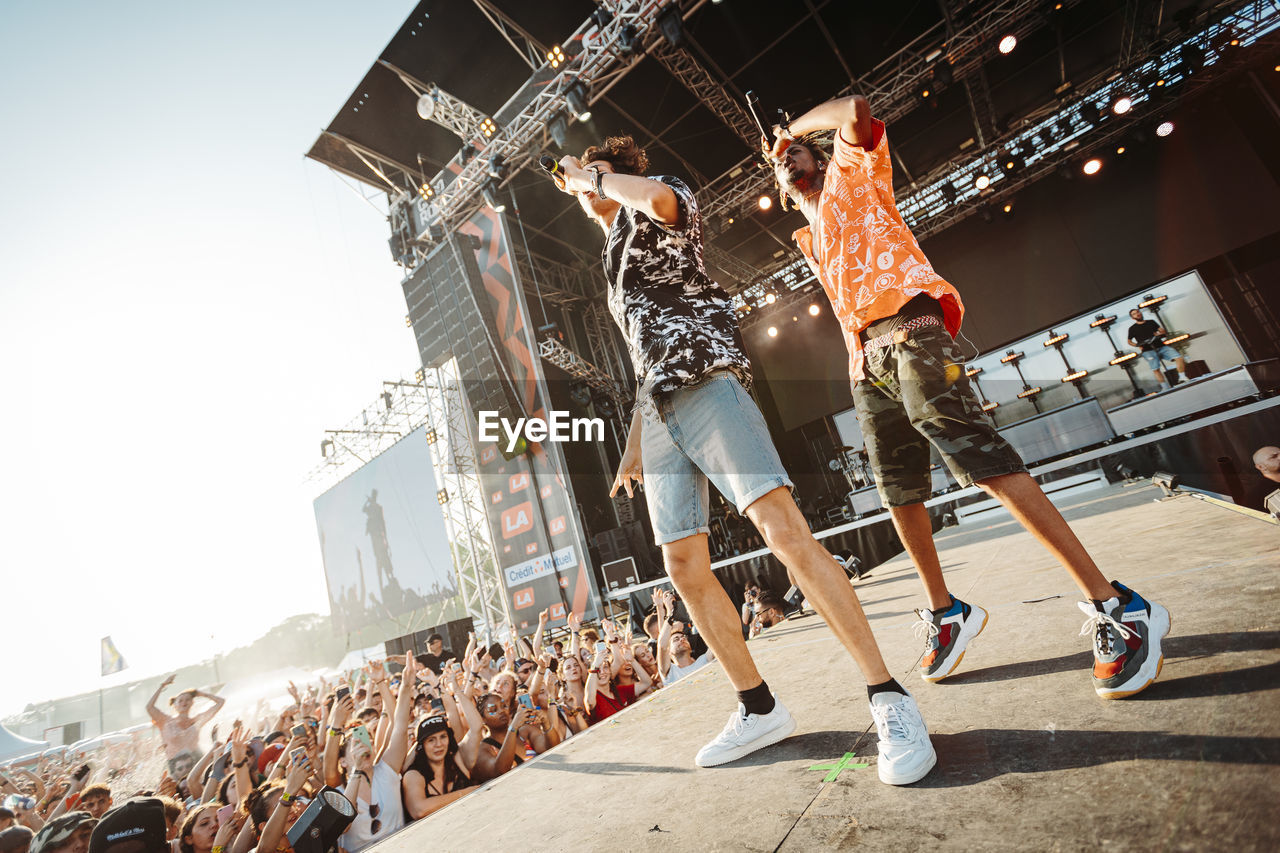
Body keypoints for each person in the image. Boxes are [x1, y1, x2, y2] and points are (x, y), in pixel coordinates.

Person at [549, 133, 935, 783]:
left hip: (710, 384)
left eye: (598, 178)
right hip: (664, 409)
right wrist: (636, 446)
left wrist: (589, 176)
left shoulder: (663, 200)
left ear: (609, 172)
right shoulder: (614, 258)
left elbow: (652, 200)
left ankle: (888, 695)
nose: (587, 194)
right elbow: (647, 355)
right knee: (682, 565)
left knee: (783, 530)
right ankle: (757, 706)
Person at [768, 94, 1169, 701]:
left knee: (975, 458)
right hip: (864, 357)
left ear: (819, 158)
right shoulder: (810, 234)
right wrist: (856, 362)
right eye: (779, 161)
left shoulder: (856, 171)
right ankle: (945, 612)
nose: (786, 159)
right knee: (897, 491)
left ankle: (1116, 604)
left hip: (911, 324)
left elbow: (853, 108)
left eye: (797, 152)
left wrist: (792, 127)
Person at [145, 676, 225, 778]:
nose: (184, 702)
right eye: (181, 700)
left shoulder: (197, 721)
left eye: (188, 700)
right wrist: (162, 686)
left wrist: (202, 694)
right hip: (175, 765)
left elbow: (221, 702)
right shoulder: (164, 721)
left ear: (192, 703)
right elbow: (149, 707)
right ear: (175, 705)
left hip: (196, 761)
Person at [1126, 308, 1187, 387]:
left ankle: (1182, 377)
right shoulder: (1132, 329)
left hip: (1161, 346)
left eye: (1138, 312)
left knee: (1179, 358)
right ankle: (1165, 387)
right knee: (1156, 369)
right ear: (1132, 318)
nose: (1137, 314)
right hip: (1148, 351)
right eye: (1134, 314)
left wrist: (1159, 333)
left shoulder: (1151, 322)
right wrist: (1138, 345)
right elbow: (1129, 341)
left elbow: (1162, 331)